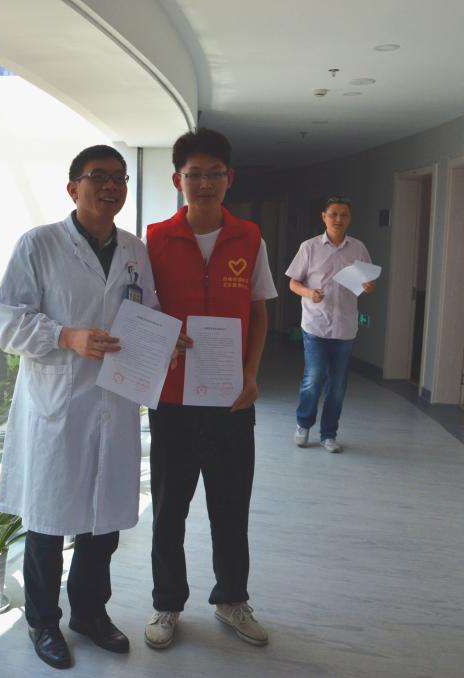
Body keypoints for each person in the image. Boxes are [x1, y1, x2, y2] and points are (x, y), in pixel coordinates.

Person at [0, 144, 159, 670]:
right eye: (98, 176)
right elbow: (7, 324)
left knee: (102, 524)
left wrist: (162, 341)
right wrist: (66, 336)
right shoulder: (38, 244)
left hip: (114, 400)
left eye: (120, 178)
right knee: (47, 523)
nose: (111, 186)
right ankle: (43, 621)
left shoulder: (134, 250)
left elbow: (147, 312)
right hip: (57, 406)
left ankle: (89, 613)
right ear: (73, 188)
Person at [143, 128, 277, 651]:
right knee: (168, 510)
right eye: (193, 174)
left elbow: (259, 312)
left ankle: (231, 599)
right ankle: (167, 604)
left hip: (230, 399)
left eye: (213, 174)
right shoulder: (155, 239)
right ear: (177, 179)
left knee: (230, 507)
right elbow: (140, 308)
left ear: (229, 179)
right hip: (172, 398)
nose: (204, 183)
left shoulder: (249, 238)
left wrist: (252, 375)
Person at [286, 197, 375, 454]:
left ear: (350, 218)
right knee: (314, 378)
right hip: (315, 324)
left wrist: (369, 286)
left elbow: (367, 284)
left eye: (344, 214)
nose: (338, 219)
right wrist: (309, 293)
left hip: (345, 327)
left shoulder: (358, 248)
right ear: (323, 216)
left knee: (337, 385)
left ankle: (329, 434)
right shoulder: (309, 247)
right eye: (333, 214)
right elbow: (293, 283)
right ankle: (303, 424)